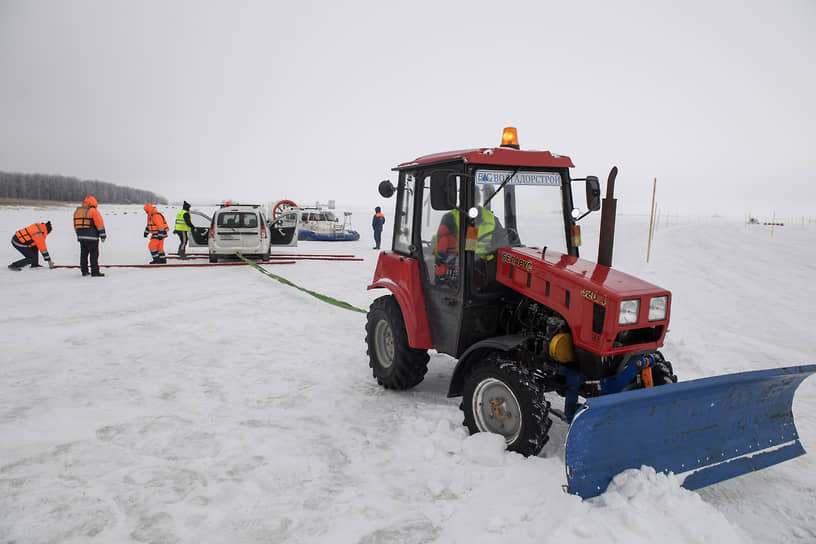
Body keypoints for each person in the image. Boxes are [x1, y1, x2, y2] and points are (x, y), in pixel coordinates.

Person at [73, 195, 107, 277]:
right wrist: (103, 235)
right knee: (94, 255)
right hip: (92, 238)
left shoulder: (78, 211)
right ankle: (95, 272)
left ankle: (84, 271)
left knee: (83, 255)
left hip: (81, 237)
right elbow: (99, 224)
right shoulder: (93, 211)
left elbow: (75, 225)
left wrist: (78, 235)